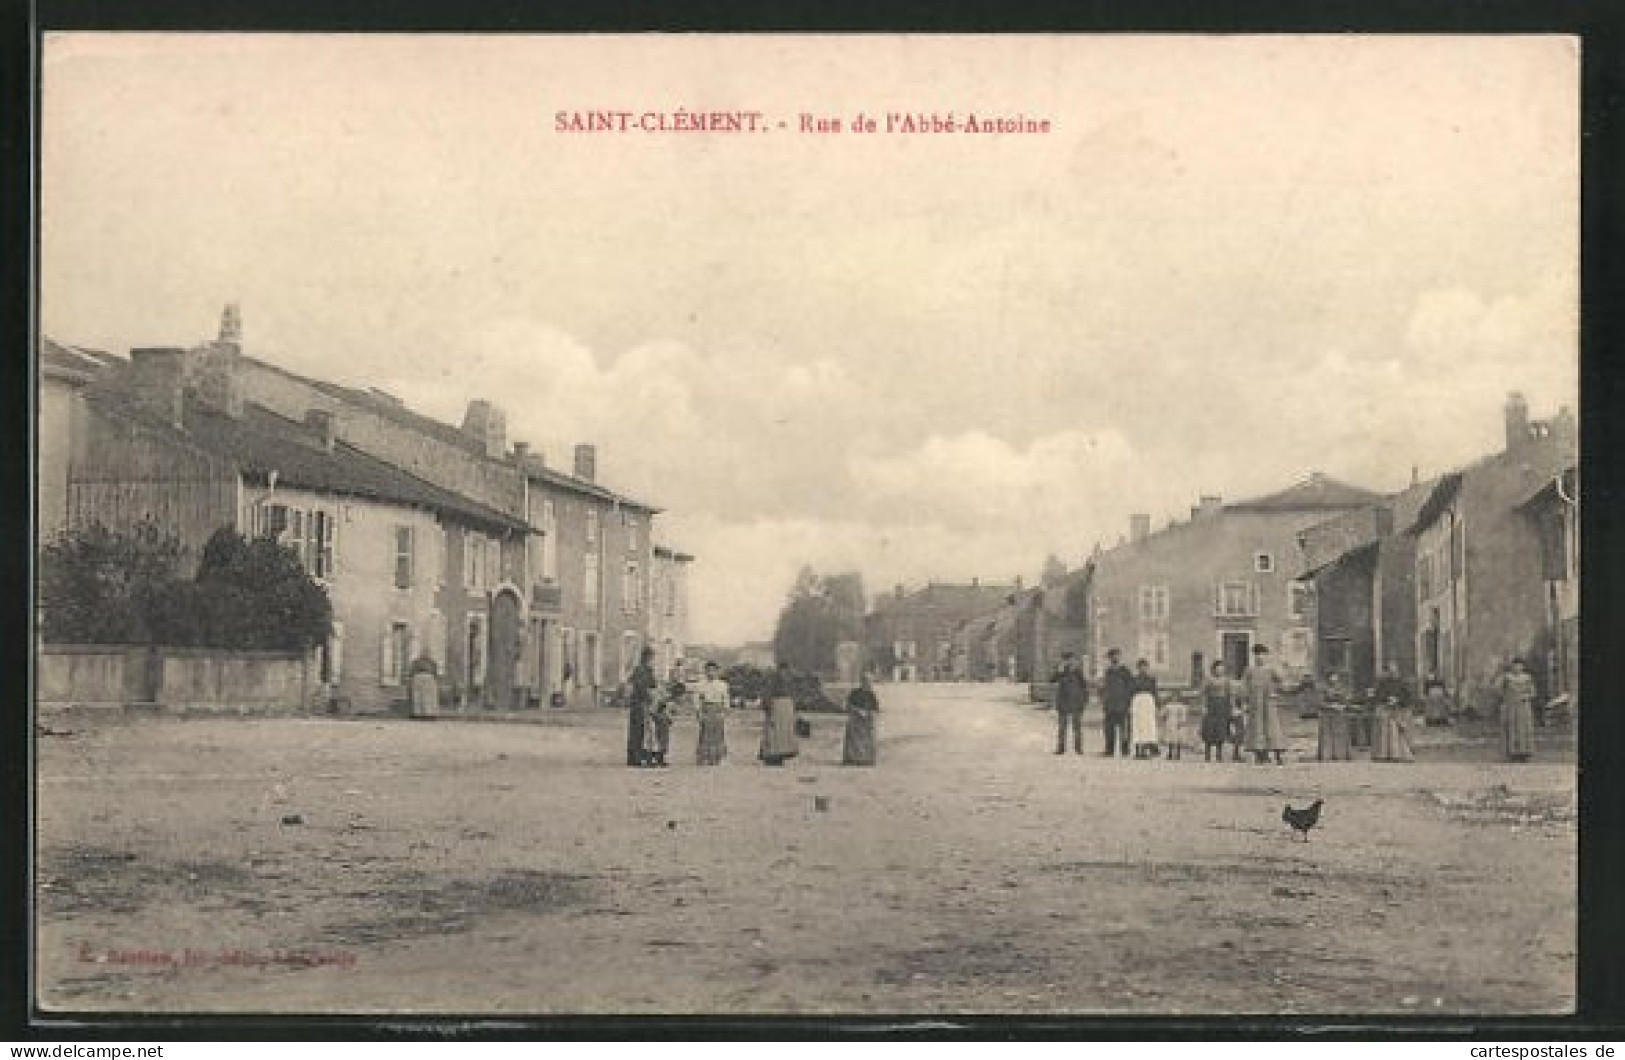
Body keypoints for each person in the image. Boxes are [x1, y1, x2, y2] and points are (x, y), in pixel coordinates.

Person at [1242, 643, 1285, 765]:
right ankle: (1260, 755)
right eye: (1257, 655)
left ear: (1266, 656)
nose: (1260, 657)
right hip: (1255, 704)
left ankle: (1278, 754)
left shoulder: (1271, 669)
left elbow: (1281, 681)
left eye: (1262, 655)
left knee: (1272, 727)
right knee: (1257, 728)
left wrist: (1276, 692)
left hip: (1268, 703)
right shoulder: (1249, 670)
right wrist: (1245, 701)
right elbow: (1244, 687)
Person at [1370, 662, 1415, 763]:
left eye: (1394, 670)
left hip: (1397, 710)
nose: (1392, 672)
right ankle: (1383, 754)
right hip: (1385, 710)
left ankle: (1397, 754)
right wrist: (1387, 699)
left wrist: (1397, 700)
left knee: (1397, 732)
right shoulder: (1382, 683)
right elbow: (1378, 696)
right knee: (1384, 731)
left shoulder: (1402, 683)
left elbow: (1408, 697)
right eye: (1390, 670)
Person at [758, 661, 800, 766]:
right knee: (776, 731)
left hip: (783, 706)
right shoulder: (775, 680)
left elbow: (767, 693)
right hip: (779, 705)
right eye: (782, 671)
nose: (784, 673)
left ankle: (777, 755)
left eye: (785, 671)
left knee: (780, 731)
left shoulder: (785, 680)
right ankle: (774, 755)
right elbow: (768, 693)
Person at [1499, 657, 1537, 762]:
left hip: (1523, 706)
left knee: (1524, 728)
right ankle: (1512, 753)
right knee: (1511, 727)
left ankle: (1524, 753)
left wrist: (1526, 696)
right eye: (1515, 665)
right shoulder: (1507, 678)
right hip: (1511, 707)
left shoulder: (1527, 678)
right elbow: (1501, 691)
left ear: (1523, 667)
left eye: (1519, 665)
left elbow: (1533, 693)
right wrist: (1507, 699)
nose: (1517, 667)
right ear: (1512, 666)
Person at [626, 647, 658, 768]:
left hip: (637, 703)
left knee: (637, 731)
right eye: (651, 658)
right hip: (640, 704)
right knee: (640, 731)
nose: (652, 660)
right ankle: (637, 757)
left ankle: (634, 757)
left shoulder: (639, 670)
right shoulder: (643, 671)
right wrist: (650, 698)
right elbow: (644, 687)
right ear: (647, 658)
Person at [693, 661, 730, 766]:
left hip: (718, 709)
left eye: (713, 670)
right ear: (705, 671)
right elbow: (696, 699)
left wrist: (725, 711)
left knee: (718, 733)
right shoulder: (700, 685)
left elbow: (726, 699)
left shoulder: (722, 685)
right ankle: (704, 757)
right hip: (706, 709)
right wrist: (698, 712)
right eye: (708, 670)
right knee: (705, 733)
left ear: (717, 672)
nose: (711, 673)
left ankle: (718, 757)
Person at [1052, 653, 1088, 755]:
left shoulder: (1078, 672)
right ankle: (1061, 747)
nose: (1070, 662)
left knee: (1077, 727)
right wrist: (1059, 671)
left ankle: (1078, 748)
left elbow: (1084, 686)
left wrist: (1083, 701)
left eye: (1071, 660)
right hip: (1063, 703)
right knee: (1062, 727)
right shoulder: (1061, 671)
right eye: (1067, 660)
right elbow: (1052, 680)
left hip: (1076, 703)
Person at [1199, 660, 1235, 762]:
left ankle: (1219, 755)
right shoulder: (1208, 679)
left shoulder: (1227, 680)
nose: (1220, 670)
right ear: (1214, 668)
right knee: (1209, 729)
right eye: (1218, 667)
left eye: (1222, 668)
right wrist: (1203, 706)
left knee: (1221, 729)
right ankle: (1207, 755)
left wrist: (1231, 707)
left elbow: (1231, 695)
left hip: (1222, 706)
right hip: (1211, 706)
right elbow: (1202, 693)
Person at [842, 673, 881, 766]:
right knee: (853, 732)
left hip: (867, 720)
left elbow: (875, 709)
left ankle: (866, 760)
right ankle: (852, 759)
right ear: (862, 682)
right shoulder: (855, 693)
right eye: (866, 682)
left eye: (869, 682)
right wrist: (857, 711)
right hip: (856, 719)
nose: (868, 684)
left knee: (869, 734)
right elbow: (848, 705)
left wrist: (869, 713)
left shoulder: (871, 695)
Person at [1100, 648, 1133, 757]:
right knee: (1109, 729)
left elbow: (1130, 687)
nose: (1115, 658)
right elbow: (1104, 687)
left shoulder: (1125, 671)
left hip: (1122, 704)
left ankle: (1125, 750)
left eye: (1117, 655)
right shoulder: (1108, 671)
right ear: (1110, 658)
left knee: (1124, 728)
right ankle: (1109, 750)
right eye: (1112, 656)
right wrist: (1104, 700)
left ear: (1120, 657)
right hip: (1110, 704)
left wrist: (1127, 701)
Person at [1316, 672, 1353, 762]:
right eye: (1332, 676)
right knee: (1328, 735)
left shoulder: (1341, 688)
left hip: (1339, 715)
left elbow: (1346, 700)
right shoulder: (1323, 689)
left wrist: (1344, 706)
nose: (1334, 679)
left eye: (1336, 677)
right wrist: (1331, 706)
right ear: (1328, 678)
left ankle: (1341, 754)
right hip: (1327, 715)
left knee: (1340, 734)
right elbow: (1320, 703)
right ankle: (1327, 754)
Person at [1129, 659, 1160, 758]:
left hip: (1148, 702)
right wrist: (1130, 705)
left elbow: (1155, 692)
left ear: (1147, 668)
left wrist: (1157, 705)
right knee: (1138, 725)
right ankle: (1138, 750)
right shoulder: (1134, 679)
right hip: (1138, 702)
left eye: (1145, 667)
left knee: (1148, 725)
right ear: (1138, 668)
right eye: (1141, 667)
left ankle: (1146, 749)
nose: (1143, 669)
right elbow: (1131, 692)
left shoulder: (1151, 679)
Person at [1161, 693, 1188, 761]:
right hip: (1170, 722)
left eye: (1176, 698)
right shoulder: (1168, 706)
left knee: (1178, 738)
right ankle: (1170, 753)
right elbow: (1163, 714)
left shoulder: (1181, 706)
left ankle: (1178, 754)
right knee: (1170, 738)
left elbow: (1183, 715)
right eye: (1173, 698)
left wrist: (1181, 722)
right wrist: (1164, 718)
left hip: (1178, 722)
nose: (1174, 699)